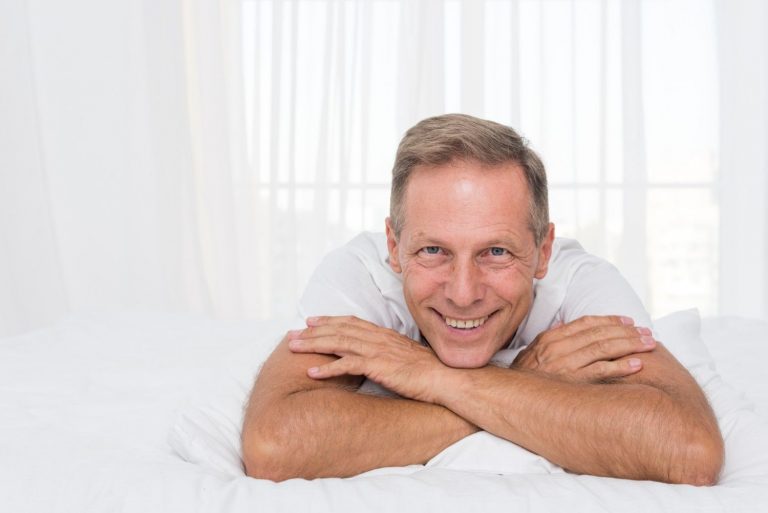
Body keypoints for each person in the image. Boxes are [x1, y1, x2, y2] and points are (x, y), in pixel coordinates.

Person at [241, 114, 724, 485]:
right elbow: (273, 445)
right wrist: (521, 385)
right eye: (433, 251)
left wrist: (431, 377)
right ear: (393, 247)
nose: (464, 293)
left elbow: (690, 452)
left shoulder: (582, 285)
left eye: (496, 252)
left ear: (542, 251)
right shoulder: (359, 277)